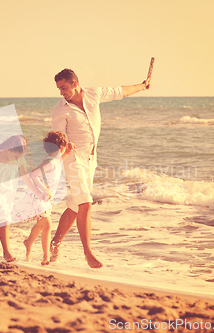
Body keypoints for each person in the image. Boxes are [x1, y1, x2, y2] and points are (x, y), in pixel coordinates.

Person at [50, 68, 150, 268]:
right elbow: (57, 140)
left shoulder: (94, 94)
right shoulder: (60, 110)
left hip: (90, 160)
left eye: (64, 87)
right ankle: (88, 253)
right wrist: (63, 149)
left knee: (74, 206)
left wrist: (142, 85)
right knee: (85, 203)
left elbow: (120, 91)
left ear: (75, 83)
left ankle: (54, 243)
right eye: (59, 89)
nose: (61, 92)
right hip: (72, 160)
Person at [0, 135, 49, 262]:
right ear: (8, 149)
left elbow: (27, 180)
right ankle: (6, 252)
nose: (18, 159)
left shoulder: (19, 161)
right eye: (16, 156)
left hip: (8, 195)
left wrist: (40, 194)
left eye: (21, 156)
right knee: (4, 220)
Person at [15, 131, 75, 265]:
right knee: (47, 224)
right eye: (64, 147)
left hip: (44, 198)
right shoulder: (50, 162)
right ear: (61, 147)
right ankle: (46, 257)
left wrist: (68, 152)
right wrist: (45, 189)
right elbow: (34, 175)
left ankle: (28, 242)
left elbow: (59, 162)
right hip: (38, 197)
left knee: (41, 225)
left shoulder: (56, 160)